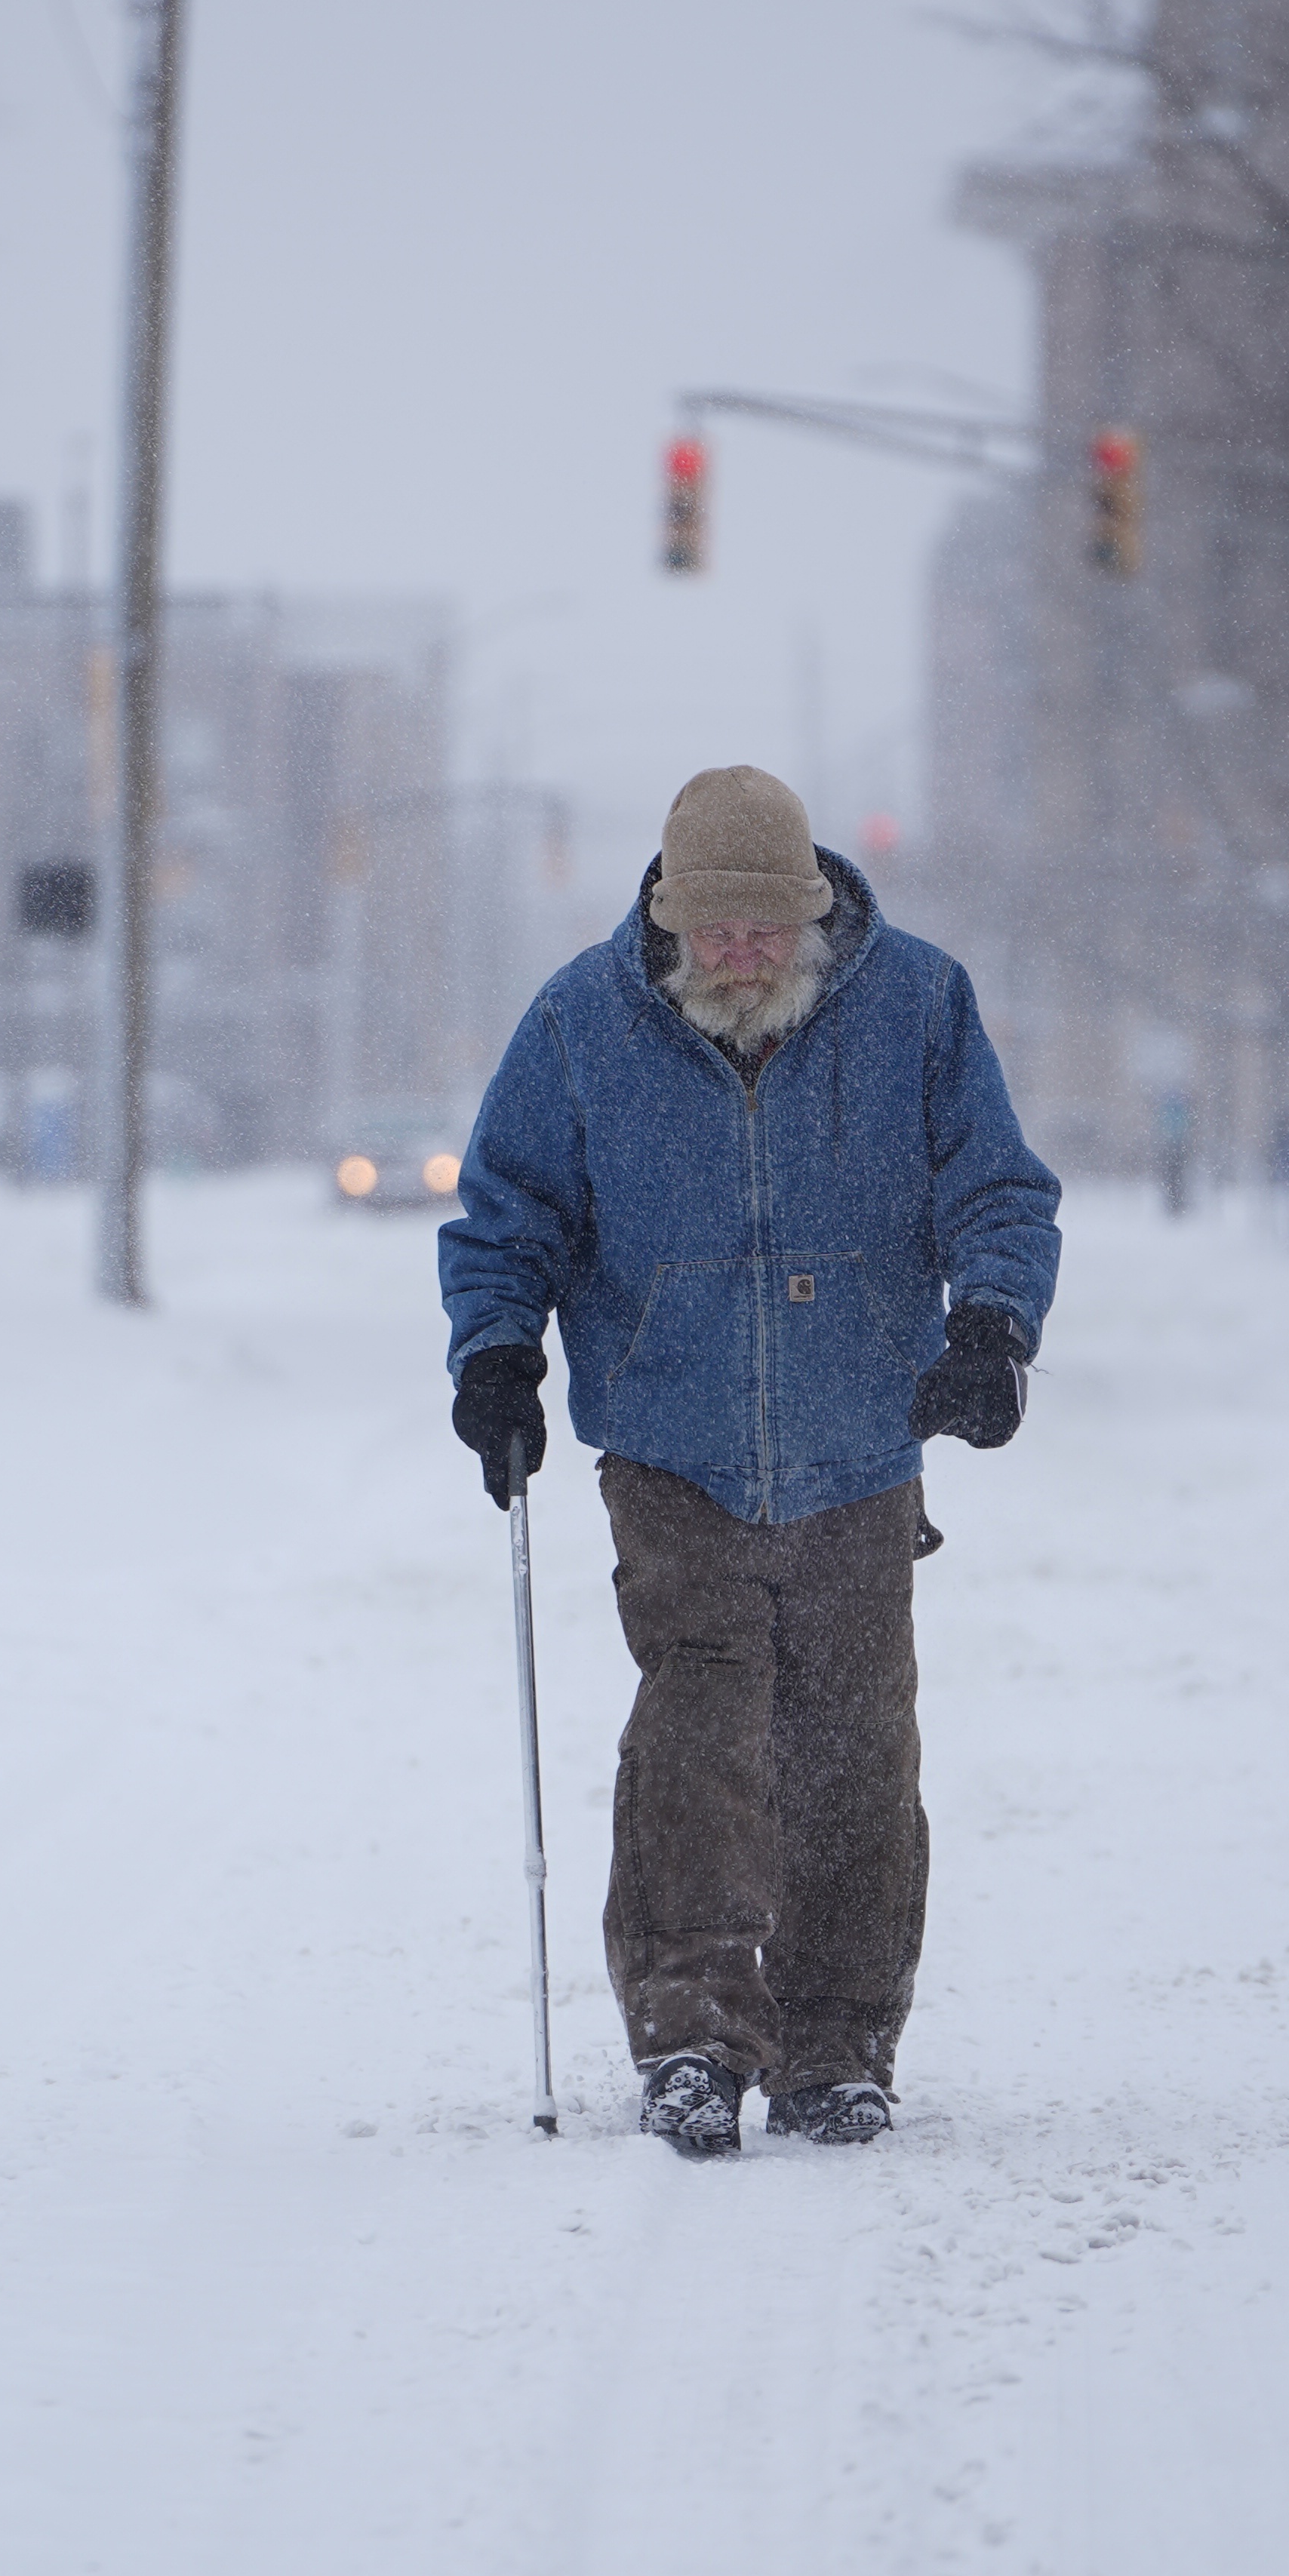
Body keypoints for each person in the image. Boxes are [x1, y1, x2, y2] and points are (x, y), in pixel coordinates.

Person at [438, 766, 1060, 2158]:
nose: (737, 956)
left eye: (761, 931)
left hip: (855, 1437)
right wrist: (496, 1355)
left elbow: (997, 1186)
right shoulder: (582, 1024)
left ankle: (840, 2040)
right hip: (672, 1441)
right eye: (712, 931)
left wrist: (995, 1326)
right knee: (700, 1734)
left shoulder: (917, 1005)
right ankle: (694, 2036)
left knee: (852, 1739)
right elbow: (508, 1212)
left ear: (810, 914)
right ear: (667, 913)